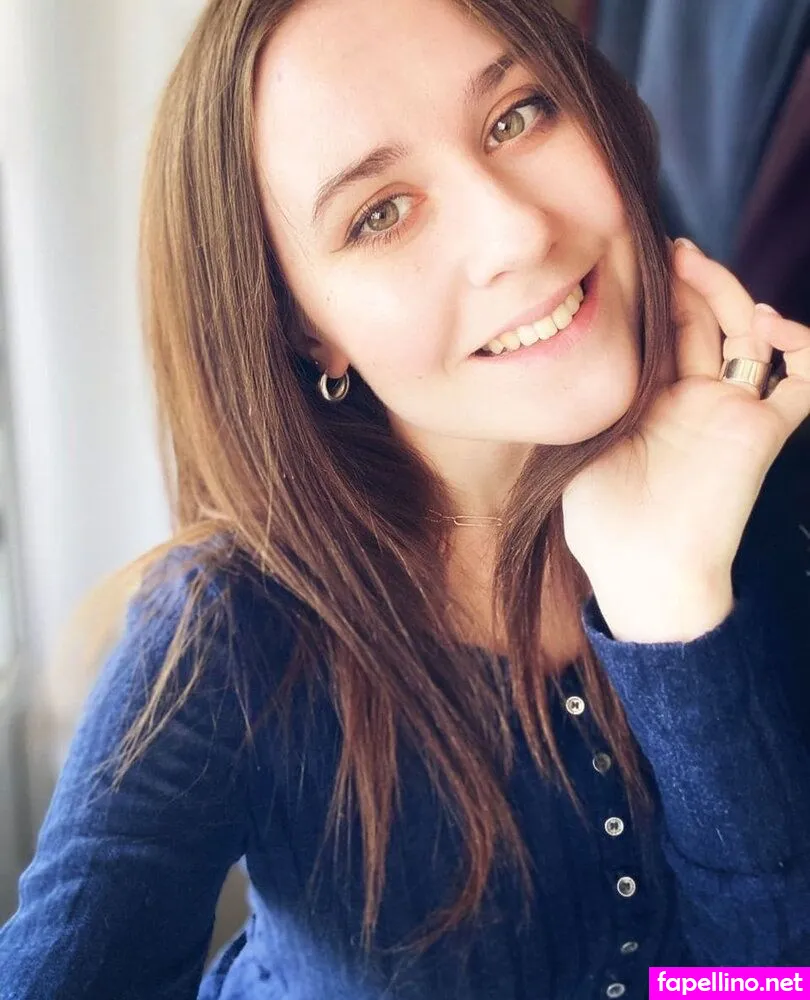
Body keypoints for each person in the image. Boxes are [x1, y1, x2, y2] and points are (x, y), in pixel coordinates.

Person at [1, 0, 809, 996]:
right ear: (305, 328)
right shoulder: (230, 631)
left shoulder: (755, 487)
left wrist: (672, 599)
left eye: (517, 115)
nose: (517, 230)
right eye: (379, 213)